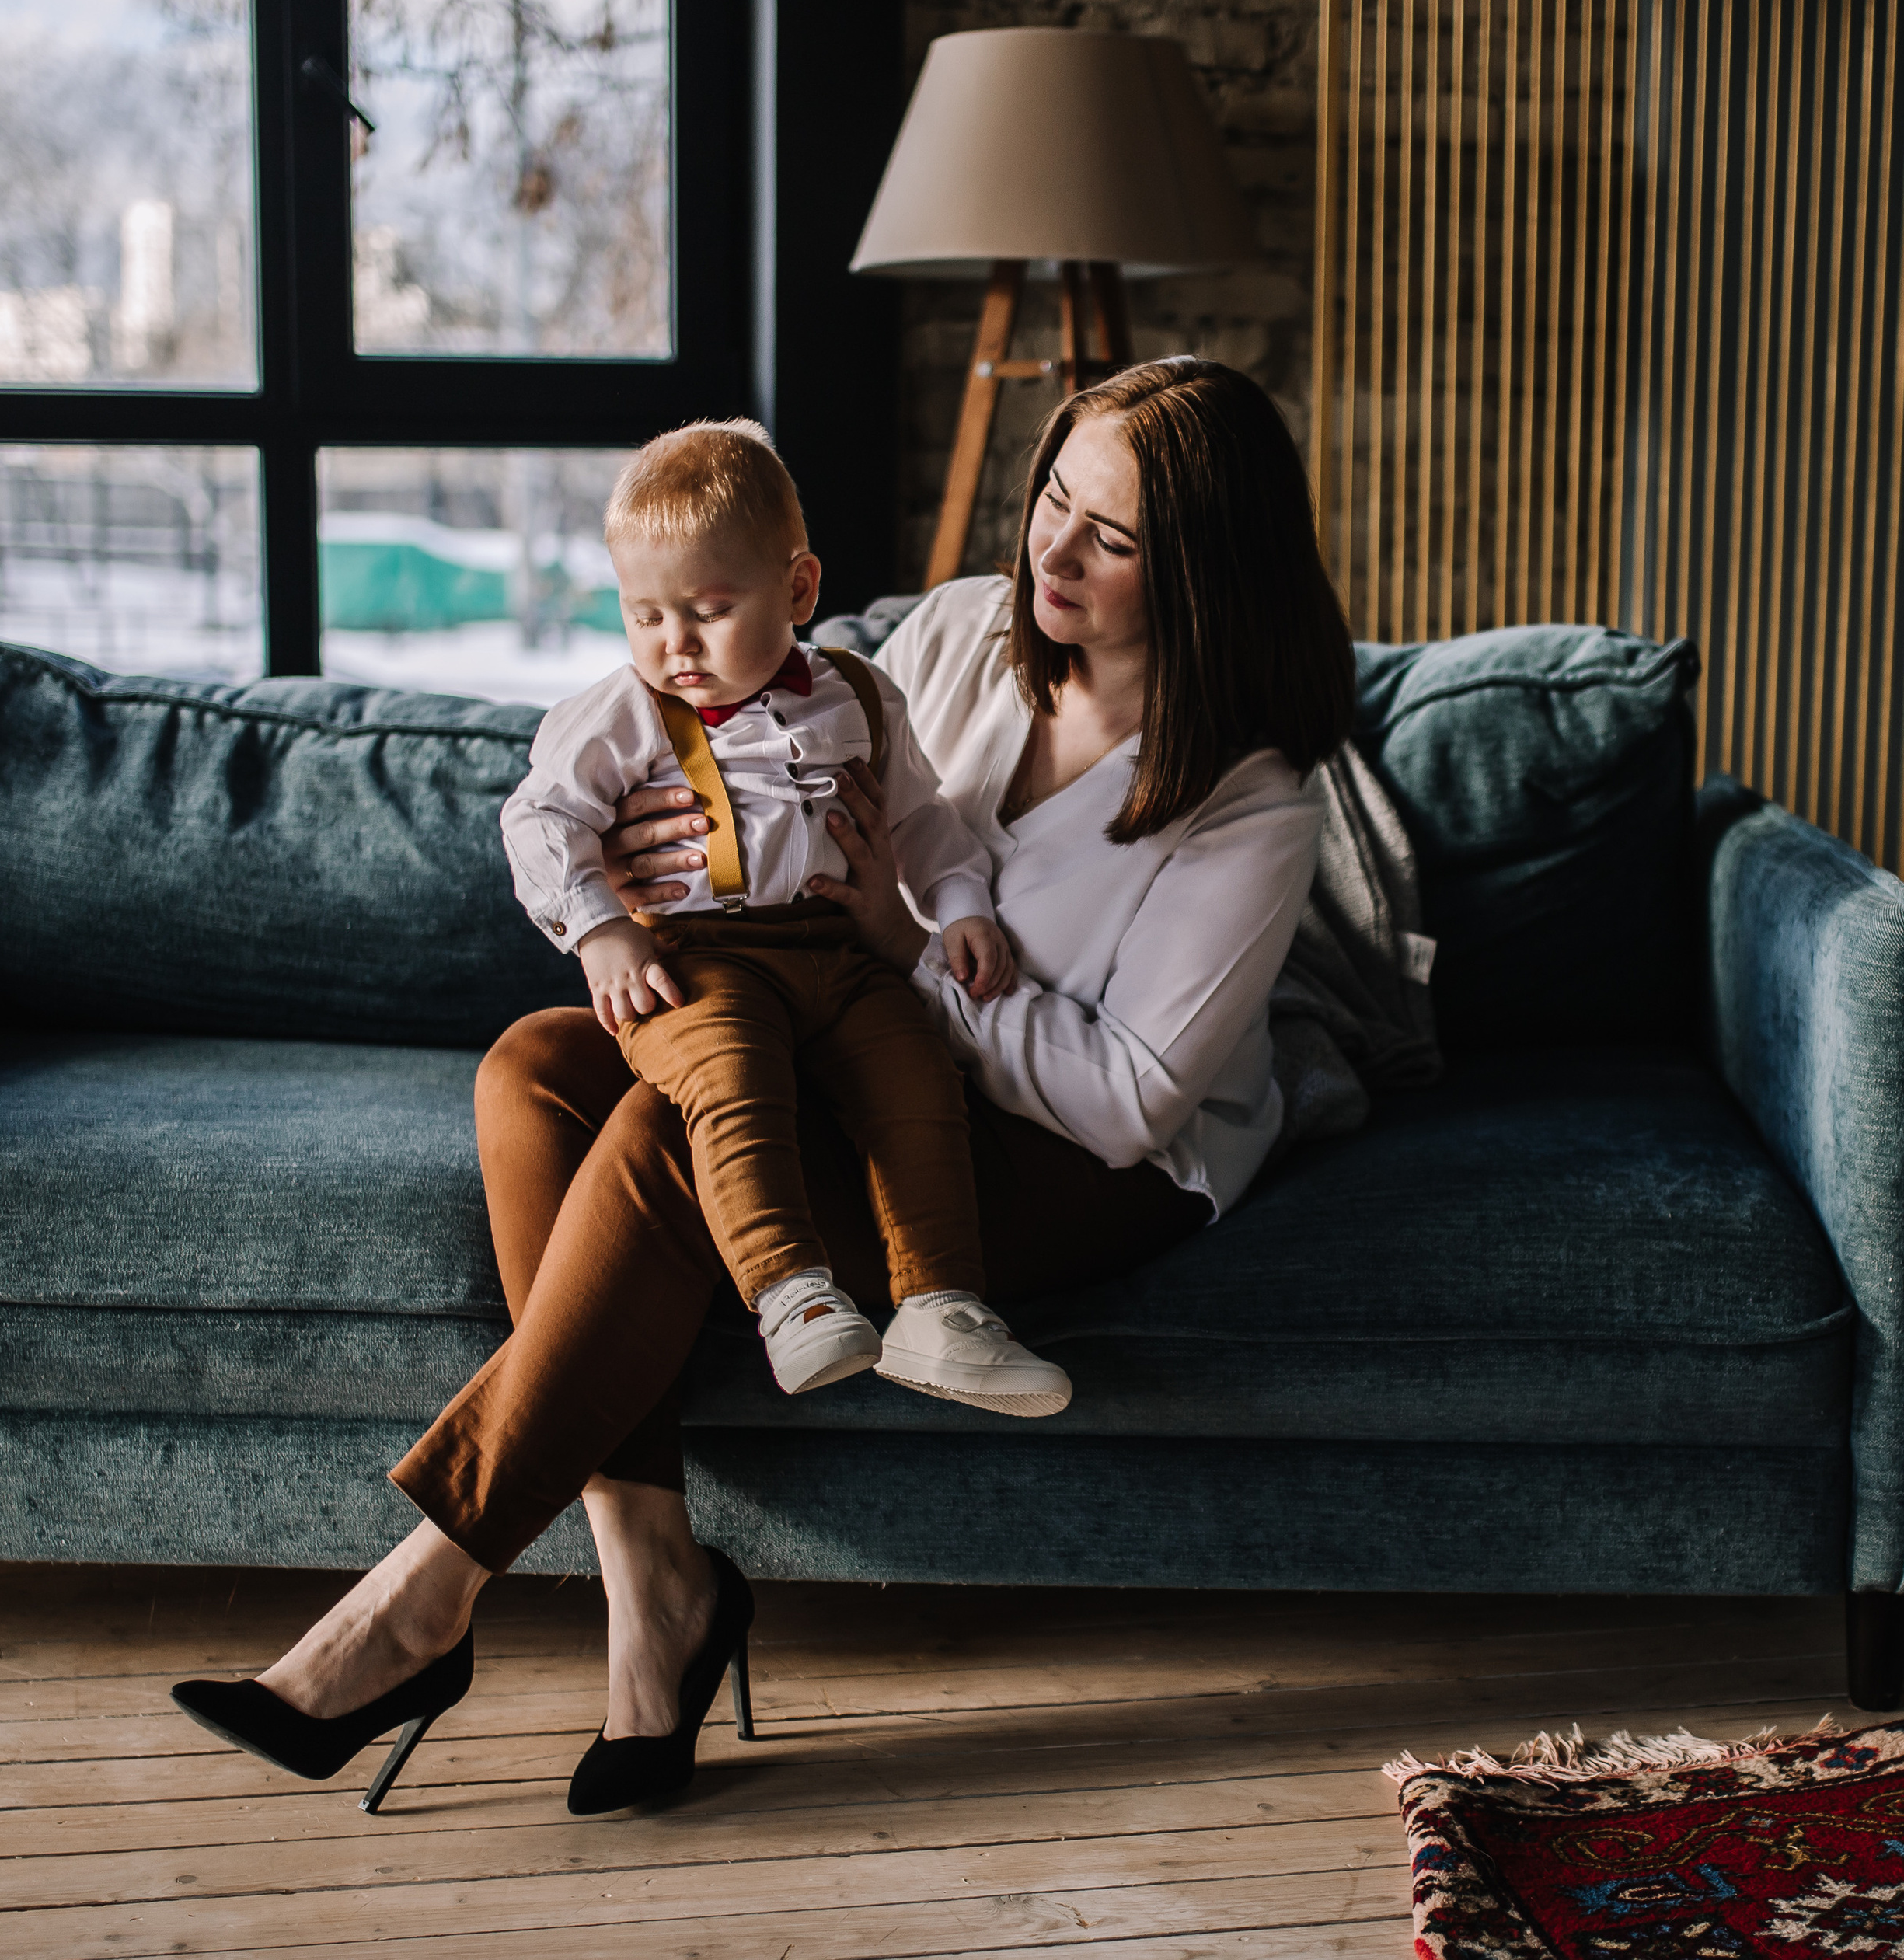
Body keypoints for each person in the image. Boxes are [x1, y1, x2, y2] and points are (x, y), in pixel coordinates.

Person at [169, 356, 1355, 1823]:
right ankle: (655, 1586)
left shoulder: (1253, 802)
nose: (1050, 551)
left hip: (1078, 1160)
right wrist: (676, 854)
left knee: (675, 1139)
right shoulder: (967, 632)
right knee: (540, 1066)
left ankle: (419, 1600)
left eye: (1109, 538)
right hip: (850, 1035)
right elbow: (777, 734)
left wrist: (889, 949)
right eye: (1054, 497)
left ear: (1206, 570)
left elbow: (1129, 1096)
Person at [503, 418, 1069, 1412]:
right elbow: (539, 818)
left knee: (914, 1067)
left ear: (798, 591)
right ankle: (791, 1293)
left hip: (840, 953)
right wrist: (602, 927)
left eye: (710, 611)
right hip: (698, 959)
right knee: (728, 1072)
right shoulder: (624, 714)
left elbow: (922, 814)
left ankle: (941, 1305)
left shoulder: (858, 693)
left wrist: (959, 906)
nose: (675, 645)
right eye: (645, 616)